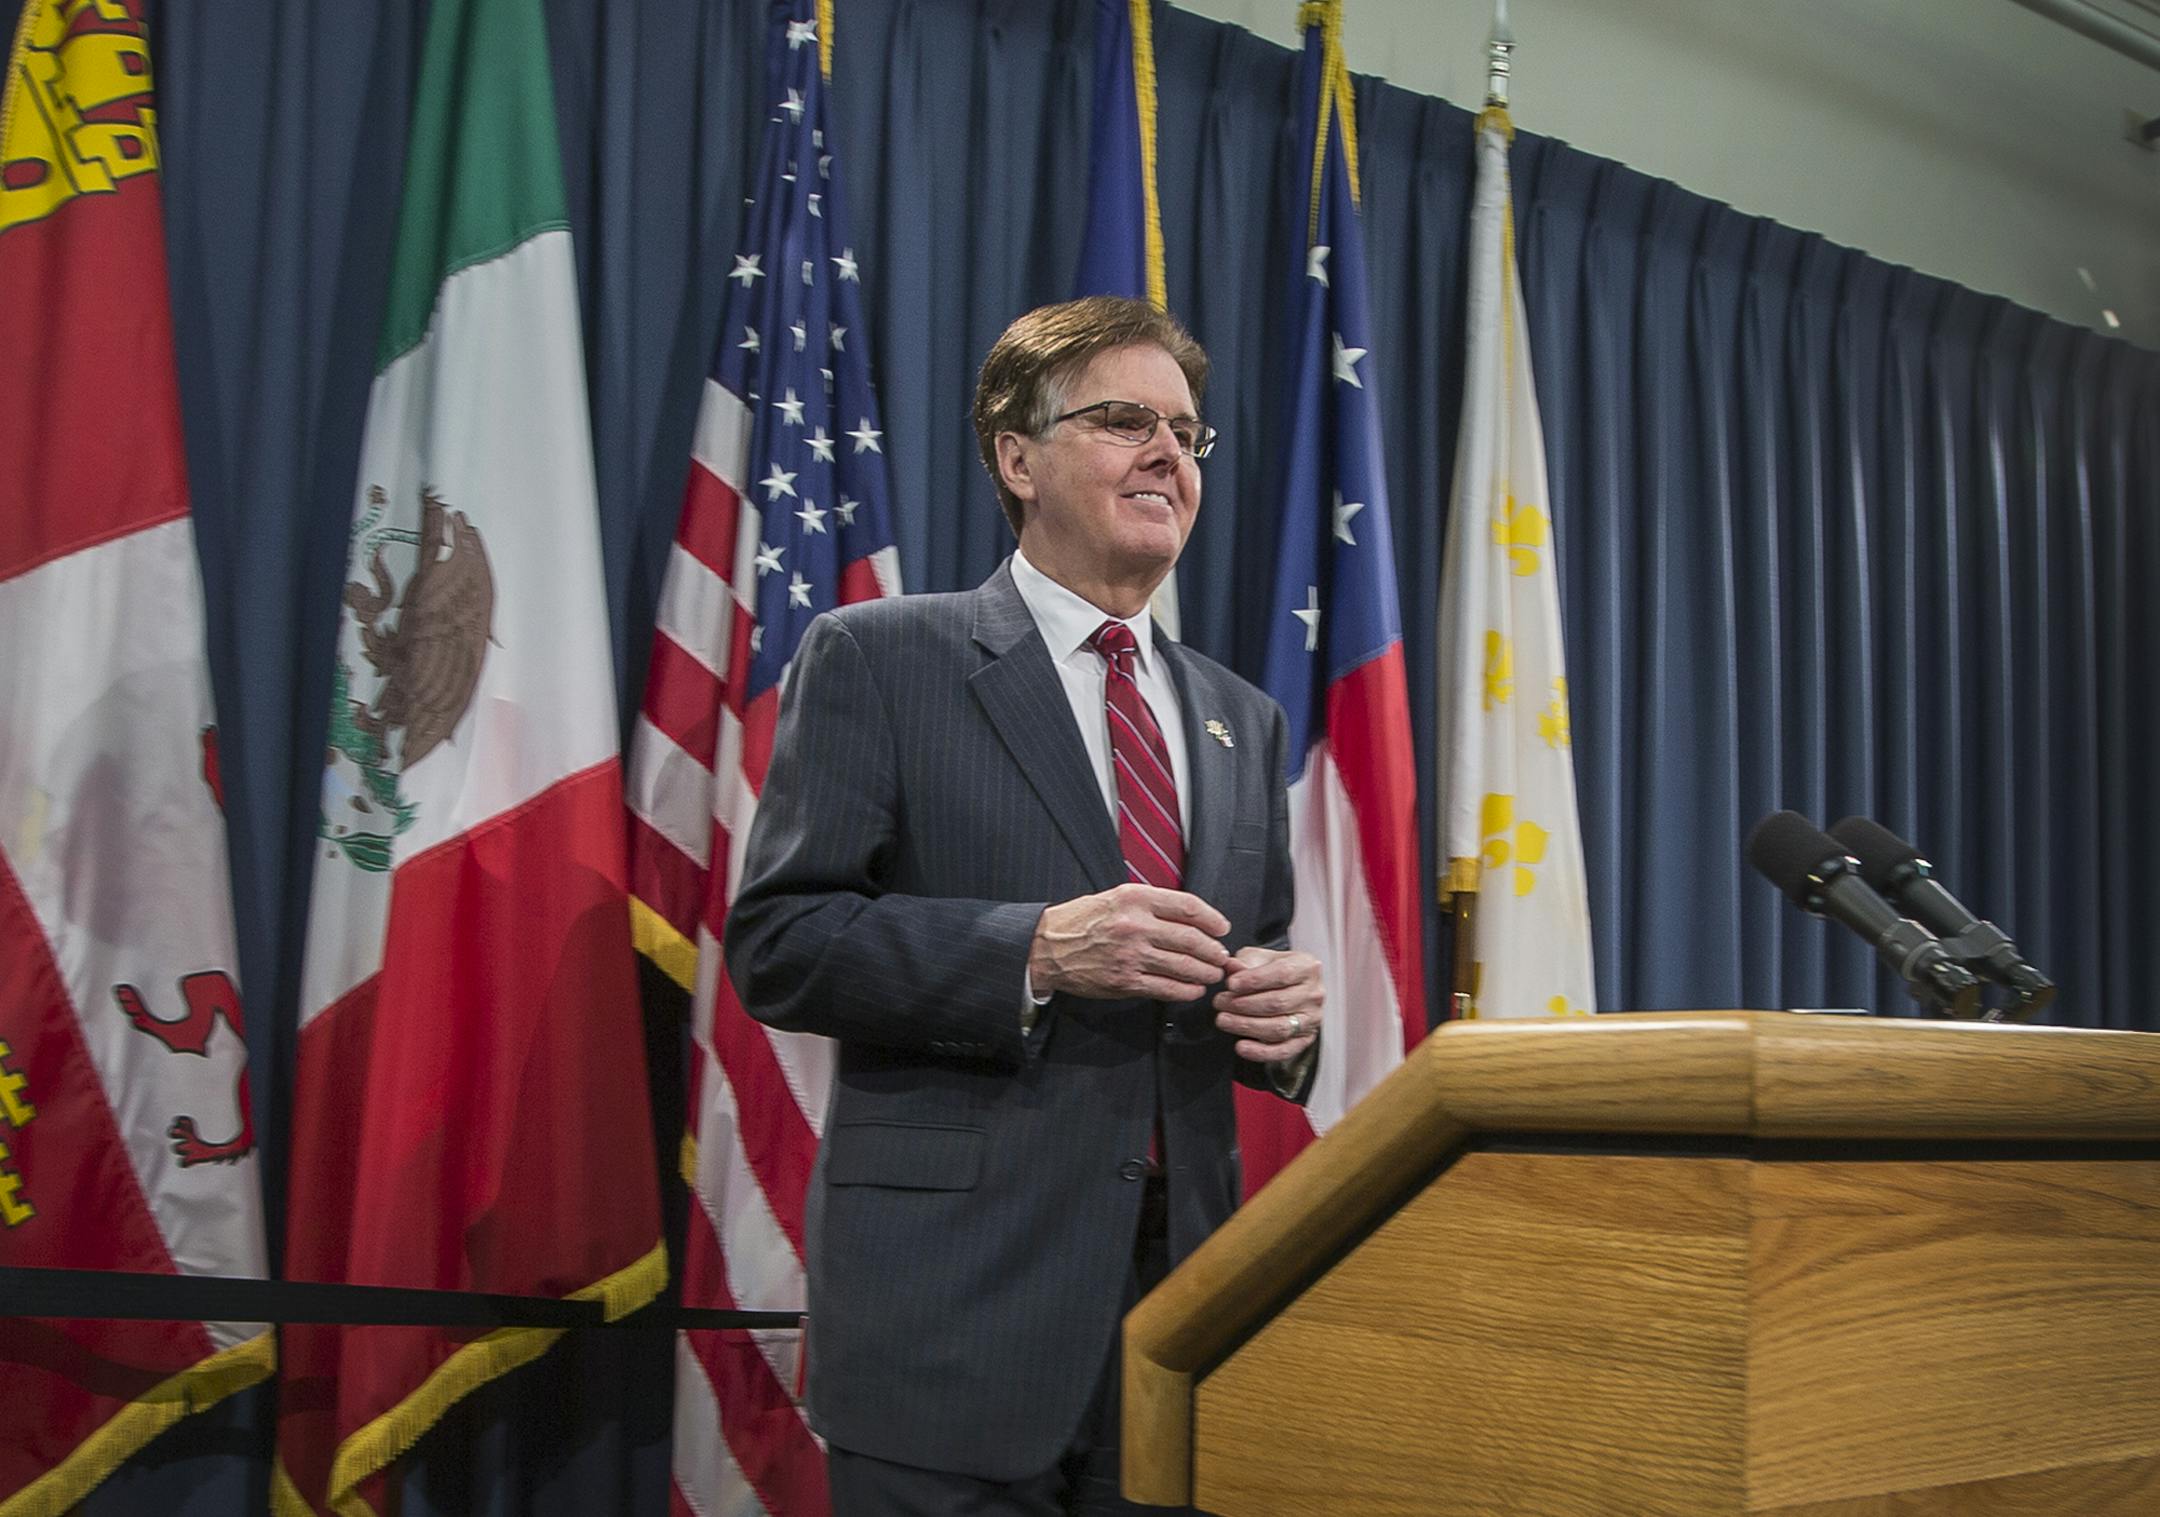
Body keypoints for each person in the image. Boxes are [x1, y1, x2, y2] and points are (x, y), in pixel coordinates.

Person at [725, 295, 1323, 1514]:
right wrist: (1036, 950)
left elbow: (1247, 952)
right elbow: (782, 943)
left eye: (1187, 433)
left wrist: (1280, 1017)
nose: (1169, 454)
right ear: (1017, 456)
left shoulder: (1241, 717)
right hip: (955, 1314)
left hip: (1176, 1317)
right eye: (1125, 421)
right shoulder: (883, 657)